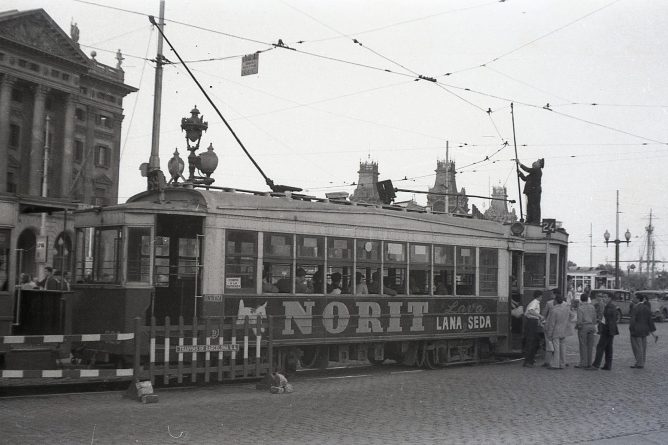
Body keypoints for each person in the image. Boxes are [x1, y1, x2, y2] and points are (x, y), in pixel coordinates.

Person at [590, 293, 619, 371]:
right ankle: (608, 365)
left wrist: (604, 325)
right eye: (603, 297)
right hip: (610, 330)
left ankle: (596, 365)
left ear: (610, 298)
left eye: (605, 297)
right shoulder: (610, 306)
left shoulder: (610, 307)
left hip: (607, 330)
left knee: (600, 347)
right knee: (608, 348)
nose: (603, 298)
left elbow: (609, 319)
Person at [629, 294, 656, 369]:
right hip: (645, 330)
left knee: (637, 347)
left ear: (638, 299)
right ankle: (642, 362)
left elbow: (633, 320)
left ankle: (639, 363)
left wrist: (631, 328)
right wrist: (652, 330)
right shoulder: (646, 307)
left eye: (634, 298)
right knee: (643, 347)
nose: (633, 299)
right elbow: (650, 320)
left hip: (636, 330)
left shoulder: (635, 308)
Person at [544, 294, 570, 369]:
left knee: (556, 349)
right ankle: (562, 363)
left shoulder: (554, 310)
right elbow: (571, 316)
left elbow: (552, 323)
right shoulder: (566, 309)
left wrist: (549, 334)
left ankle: (555, 364)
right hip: (564, 330)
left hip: (556, 330)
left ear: (555, 301)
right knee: (563, 348)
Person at [517, 158, 544, 224]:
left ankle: (535, 221)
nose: (535, 162)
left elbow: (527, 169)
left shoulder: (537, 170)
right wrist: (520, 173)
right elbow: (525, 179)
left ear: (540, 164)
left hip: (534, 191)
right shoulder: (534, 172)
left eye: (537, 162)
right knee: (530, 206)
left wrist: (519, 163)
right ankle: (530, 220)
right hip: (531, 191)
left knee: (533, 206)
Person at [575, 293, 597, 369]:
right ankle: (589, 362)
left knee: (583, 345)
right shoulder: (592, 307)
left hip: (584, 327)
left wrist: (577, 326)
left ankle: (583, 362)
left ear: (581, 299)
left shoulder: (580, 308)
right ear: (587, 299)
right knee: (590, 346)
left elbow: (579, 320)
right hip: (591, 326)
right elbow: (594, 318)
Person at [523, 290, 544, 368]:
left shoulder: (534, 302)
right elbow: (531, 311)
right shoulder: (535, 302)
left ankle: (530, 360)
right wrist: (540, 316)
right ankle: (528, 361)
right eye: (541, 297)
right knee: (531, 341)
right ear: (539, 296)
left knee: (533, 341)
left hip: (533, 322)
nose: (542, 298)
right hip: (532, 322)